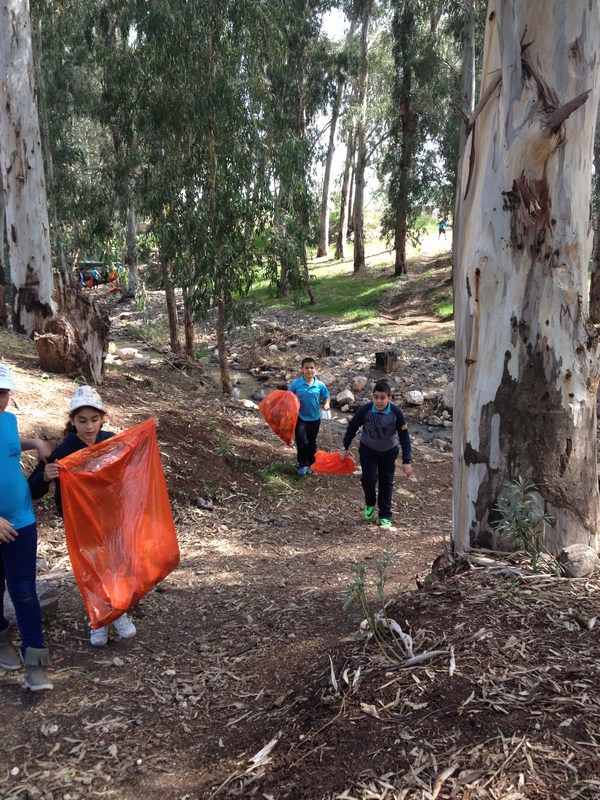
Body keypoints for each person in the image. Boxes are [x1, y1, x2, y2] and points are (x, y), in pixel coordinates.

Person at [28, 385, 137, 647]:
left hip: (110, 516)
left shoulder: (111, 442)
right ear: (72, 421)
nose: (89, 427)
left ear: (102, 418)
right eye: (82, 420)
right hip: (79, 521)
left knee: (113, 564)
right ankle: (98, 617)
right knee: (92, 568)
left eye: (94, 419)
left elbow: (130, 471)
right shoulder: (64, 450)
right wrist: (45, 476)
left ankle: (118, 611)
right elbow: (33, 489)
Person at [0, 364, 54, 691]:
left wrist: (34, 442)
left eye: (3, 393)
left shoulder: (8, 420)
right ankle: (0, 639)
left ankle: (35, 664)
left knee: (24, 591)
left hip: (21, 519)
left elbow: (9, 445)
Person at [340, 380, 413, 528]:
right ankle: (370, 503)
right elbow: (352, 426)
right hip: (368, 450)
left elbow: (404, 436)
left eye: (383, 397)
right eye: (376, 397)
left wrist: (407, 460)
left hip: (389, 452)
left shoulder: (396, 413)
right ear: (372, 397)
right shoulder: (366, 409)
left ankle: (385, 514)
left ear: (390, 398)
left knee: (386, 481)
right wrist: (345, 446)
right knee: (369, 479)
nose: (379, 401)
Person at [288, 357, 330, 476]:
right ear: (302, 369)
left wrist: (326, 403)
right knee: (301, 441)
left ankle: (311, 464)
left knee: (311, 442)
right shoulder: (296, 384)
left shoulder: (319, 385)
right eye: (306, 368)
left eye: (312, 368)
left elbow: (326, 395)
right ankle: (302, 465)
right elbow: (288, 397)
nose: (309, 370)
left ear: (315, 369)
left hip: (315, 419)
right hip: (300, 418)